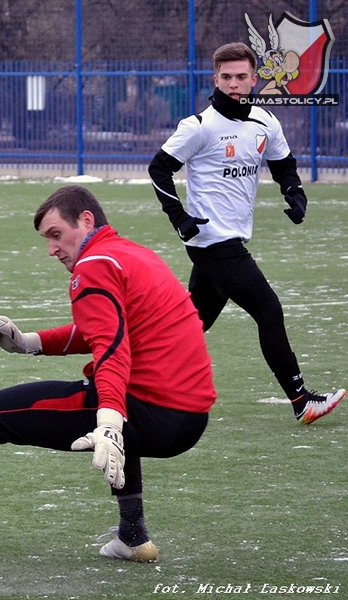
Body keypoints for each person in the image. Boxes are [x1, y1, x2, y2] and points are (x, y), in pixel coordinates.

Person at [0, 185, 216, 586]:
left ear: (87, 220)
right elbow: (107, 332)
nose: (52, 249)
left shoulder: (94, 264)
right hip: (190, 418)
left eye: (57, 235)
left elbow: (111, 348)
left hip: (149, 410)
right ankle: (132, 536)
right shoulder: (133, 254)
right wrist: (29, 343)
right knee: (118, 398)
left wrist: (109, 421)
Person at [148, 42, 344, 425]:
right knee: (269, 311)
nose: (234, 84)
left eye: (241, 77)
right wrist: (180, 218)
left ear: (255, 79)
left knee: (190, 323)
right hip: (211, 242)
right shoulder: (199, 127)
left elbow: (284, 163)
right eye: (226, 77)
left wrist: (295, 193)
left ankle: (129, 383)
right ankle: (301, 399)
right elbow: (158, 169)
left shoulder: (265, 122)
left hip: (231, 239)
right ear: (215, 78)